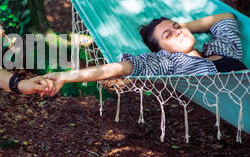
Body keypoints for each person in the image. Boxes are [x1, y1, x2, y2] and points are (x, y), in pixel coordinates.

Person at [44, 12, 248, 95]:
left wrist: (184, 27)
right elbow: (119, 68)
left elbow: (226, 17)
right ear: (161, 50)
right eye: (168, 36)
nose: (178, 32)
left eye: (177, 27)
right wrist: (66, 76)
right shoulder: (168, 63)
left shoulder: (220, 49)